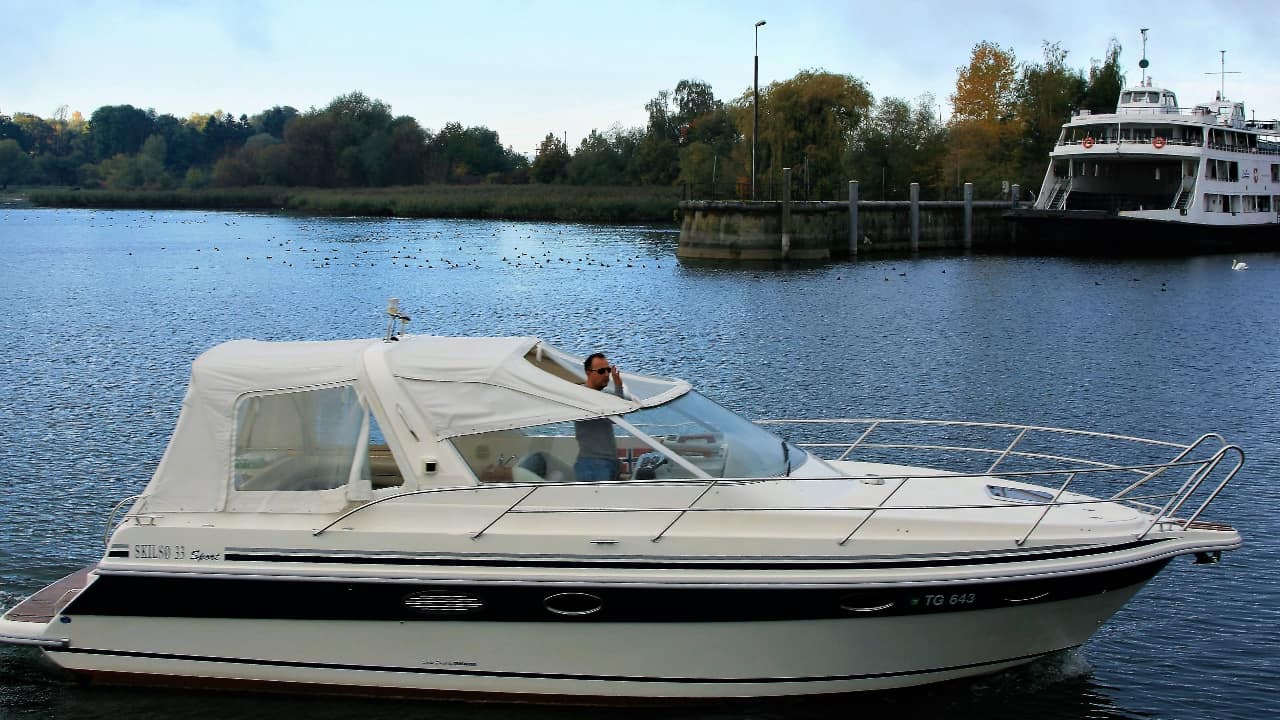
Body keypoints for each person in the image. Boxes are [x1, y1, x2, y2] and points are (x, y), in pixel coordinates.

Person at [574, 352, 624, 481]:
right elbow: (616, 414)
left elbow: (618, 417)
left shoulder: (604, 395)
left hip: (610, 461)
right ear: (588, 373)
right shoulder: (579, 395)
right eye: (601, 371)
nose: (607, 375)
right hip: (592, 464)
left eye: (608, 370)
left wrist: (618, 386)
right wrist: (618, 387)